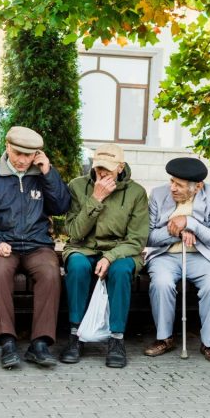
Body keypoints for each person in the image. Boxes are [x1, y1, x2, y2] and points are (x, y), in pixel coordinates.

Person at [0, 126, 71, 369]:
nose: (22, 160)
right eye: (17, 153)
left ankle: (40, 343)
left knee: (50, 272)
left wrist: (48, 172)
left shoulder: (43, 175)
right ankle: (7, 341)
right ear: (7, 147)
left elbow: (61, 206)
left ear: (37, 154)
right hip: (1, 245)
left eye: (28, 155)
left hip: (37, 245)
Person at [61, 143, 149, 368]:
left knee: (120, 271)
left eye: (107, 170)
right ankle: (75, 334)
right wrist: (96, 199)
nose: (101, 173)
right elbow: (74, 232)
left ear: (120, 167)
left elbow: (137, 240)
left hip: (121, 250)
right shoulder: (78, 186)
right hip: (84, 247)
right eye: (98, 167)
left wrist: (111, 256)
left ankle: (116, 339)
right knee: (78, 266)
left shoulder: (136, 193)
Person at [145, 157, 210, 362]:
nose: (172, 187)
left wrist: (191, 223)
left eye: (179, 185)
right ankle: (164, 338)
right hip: (165, 255)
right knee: (161, 284)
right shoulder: (157, 194)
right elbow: (147, 237)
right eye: (172, 181)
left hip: (202, 255)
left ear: (197, 187)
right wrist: (177, 231)